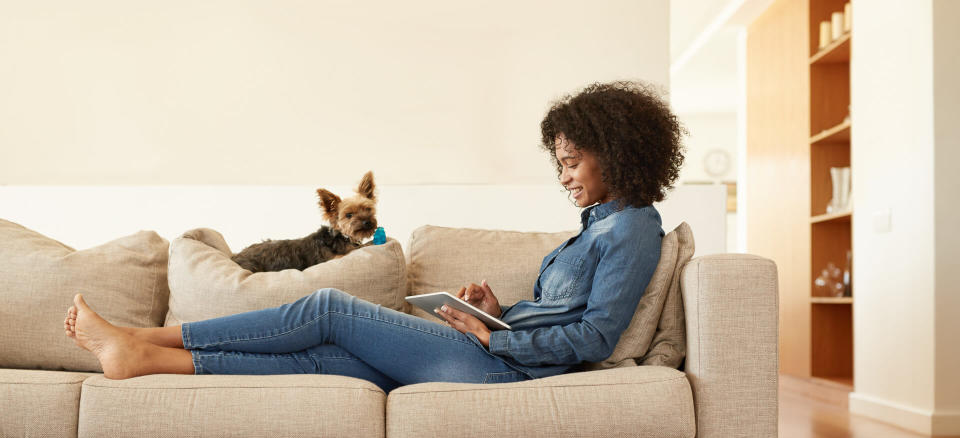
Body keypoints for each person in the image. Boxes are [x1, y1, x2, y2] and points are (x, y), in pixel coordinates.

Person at [63, 81, 685, 392]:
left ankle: (142, 335)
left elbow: (595, 336)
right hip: (497, 352)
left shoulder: (633, 227)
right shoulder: (597, 227)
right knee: (327, 362)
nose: (565, 177)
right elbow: (560, 314)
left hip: (505, 372)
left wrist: (495, 343)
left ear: (617, 151)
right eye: (560, 164)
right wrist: (496, 316)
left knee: (328, 307)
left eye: (573, 162)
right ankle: (144, 359)